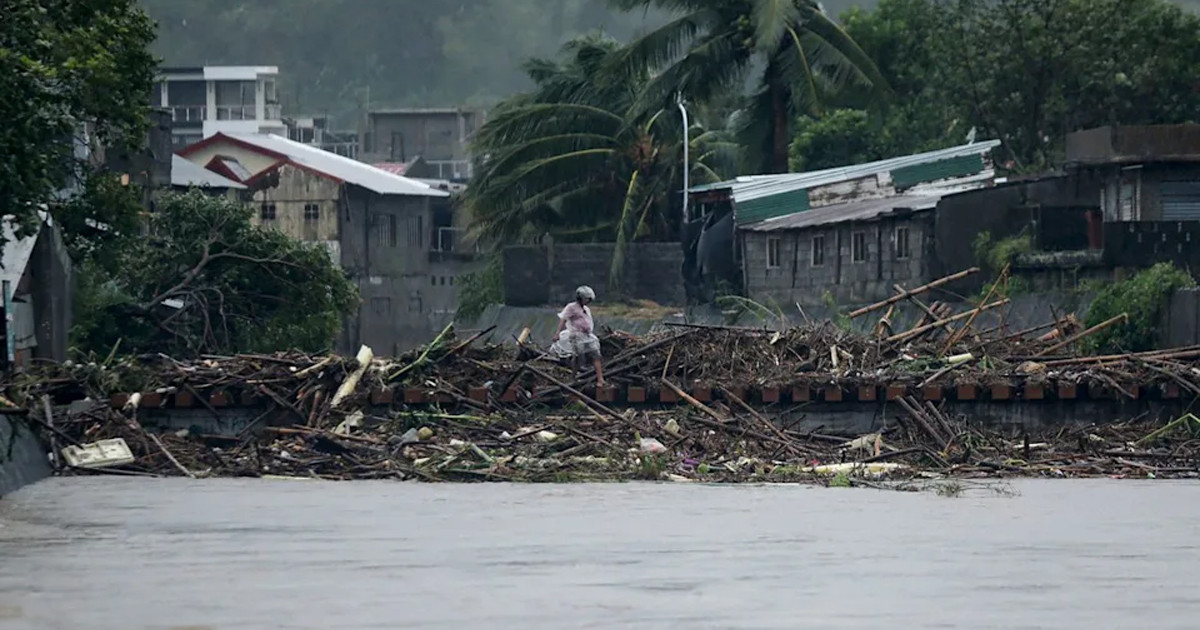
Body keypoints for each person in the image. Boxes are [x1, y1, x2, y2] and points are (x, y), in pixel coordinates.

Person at [549, 285, 606, 387]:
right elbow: (563, 319)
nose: (588, 301)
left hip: (588, 336)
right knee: (578, 357)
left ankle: (600, 379)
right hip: (576, 336)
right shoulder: (571, 307)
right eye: (587, 299)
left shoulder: (586, 309)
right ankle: (573, 377)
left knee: (596, 355)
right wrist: (557, 333)